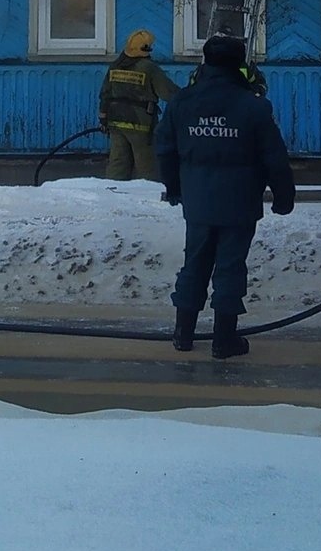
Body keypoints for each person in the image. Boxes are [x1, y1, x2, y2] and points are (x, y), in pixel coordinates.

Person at [157, 33, 295, 360]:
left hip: (198, 200)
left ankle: (183, 333)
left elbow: (164, 149)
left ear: (205, 61)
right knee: (230, 267)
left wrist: (175, 188)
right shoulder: (254, 106)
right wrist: (283, 197)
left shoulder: (183, 101)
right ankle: (224, 339)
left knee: (195, 262)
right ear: (240, 65)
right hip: (240, 201)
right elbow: (274, 157)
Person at [98, 28, 179, 180]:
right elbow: (169, 93)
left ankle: (111, 195)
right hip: (140, 124)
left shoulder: (115, 66)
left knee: (118, 164)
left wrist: (103, 118)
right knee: (146, 166)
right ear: (145, 49)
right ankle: (147, 198)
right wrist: (192, 98)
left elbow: (105, 94)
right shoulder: (149, 68)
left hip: (115, 121)